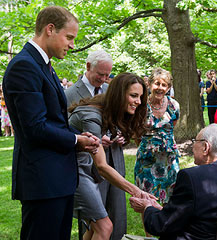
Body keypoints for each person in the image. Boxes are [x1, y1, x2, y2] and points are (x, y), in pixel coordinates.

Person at [2, 6, 99, 239]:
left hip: (57, 180)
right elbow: (35, 127)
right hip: (42, 182)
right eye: (69, 37)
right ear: (50, 29)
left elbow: (55, 120)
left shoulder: (43, 64)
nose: (72, 44)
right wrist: (76, 140)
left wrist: (84, 136)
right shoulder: (24, 66)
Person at [69, 73, 155, 240]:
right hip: (72, 171)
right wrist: (136, 191)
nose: (138, 101)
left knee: (95, 229)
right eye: (133, 95)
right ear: (118, 94)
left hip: (84, 169)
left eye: (140, 97)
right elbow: (101, 165)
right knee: (104, 226)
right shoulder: (91, 115)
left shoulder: (108, 111)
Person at [129, 124, 217, 239]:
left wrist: (147, 207)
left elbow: (160, 226)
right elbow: (193, 215)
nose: (192, 146)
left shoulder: (192, 177)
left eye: (195, 141)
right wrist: (160, 209)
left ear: (206, 147)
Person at [135, 67, 180, 204]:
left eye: (164, 85)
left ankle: (166, 226)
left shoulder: (174, 105)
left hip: (169, 161)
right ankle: (148, 226)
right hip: (146, 160)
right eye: (157, 83)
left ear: (168, 87)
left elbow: (172, 127)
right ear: (149, 84)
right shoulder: (141, 105)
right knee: (147, 201)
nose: (160, 88)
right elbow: (136, 133)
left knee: (170, 200)